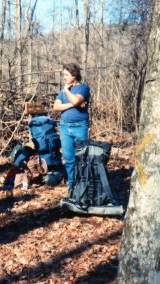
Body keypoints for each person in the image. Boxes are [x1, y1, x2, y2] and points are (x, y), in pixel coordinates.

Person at [53, 63, 90, 191]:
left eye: (66, 75)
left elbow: (75, 100)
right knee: (69, 159)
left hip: (80, 127)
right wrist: (72, 104)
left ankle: (83, 186)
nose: (64, 77)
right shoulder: (63, 91)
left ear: (74, 75)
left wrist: (68, 92)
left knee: (82, 157)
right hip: (64, 128)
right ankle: (72, 186)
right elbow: (56, 107)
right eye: (63, 75)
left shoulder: (83, 88)